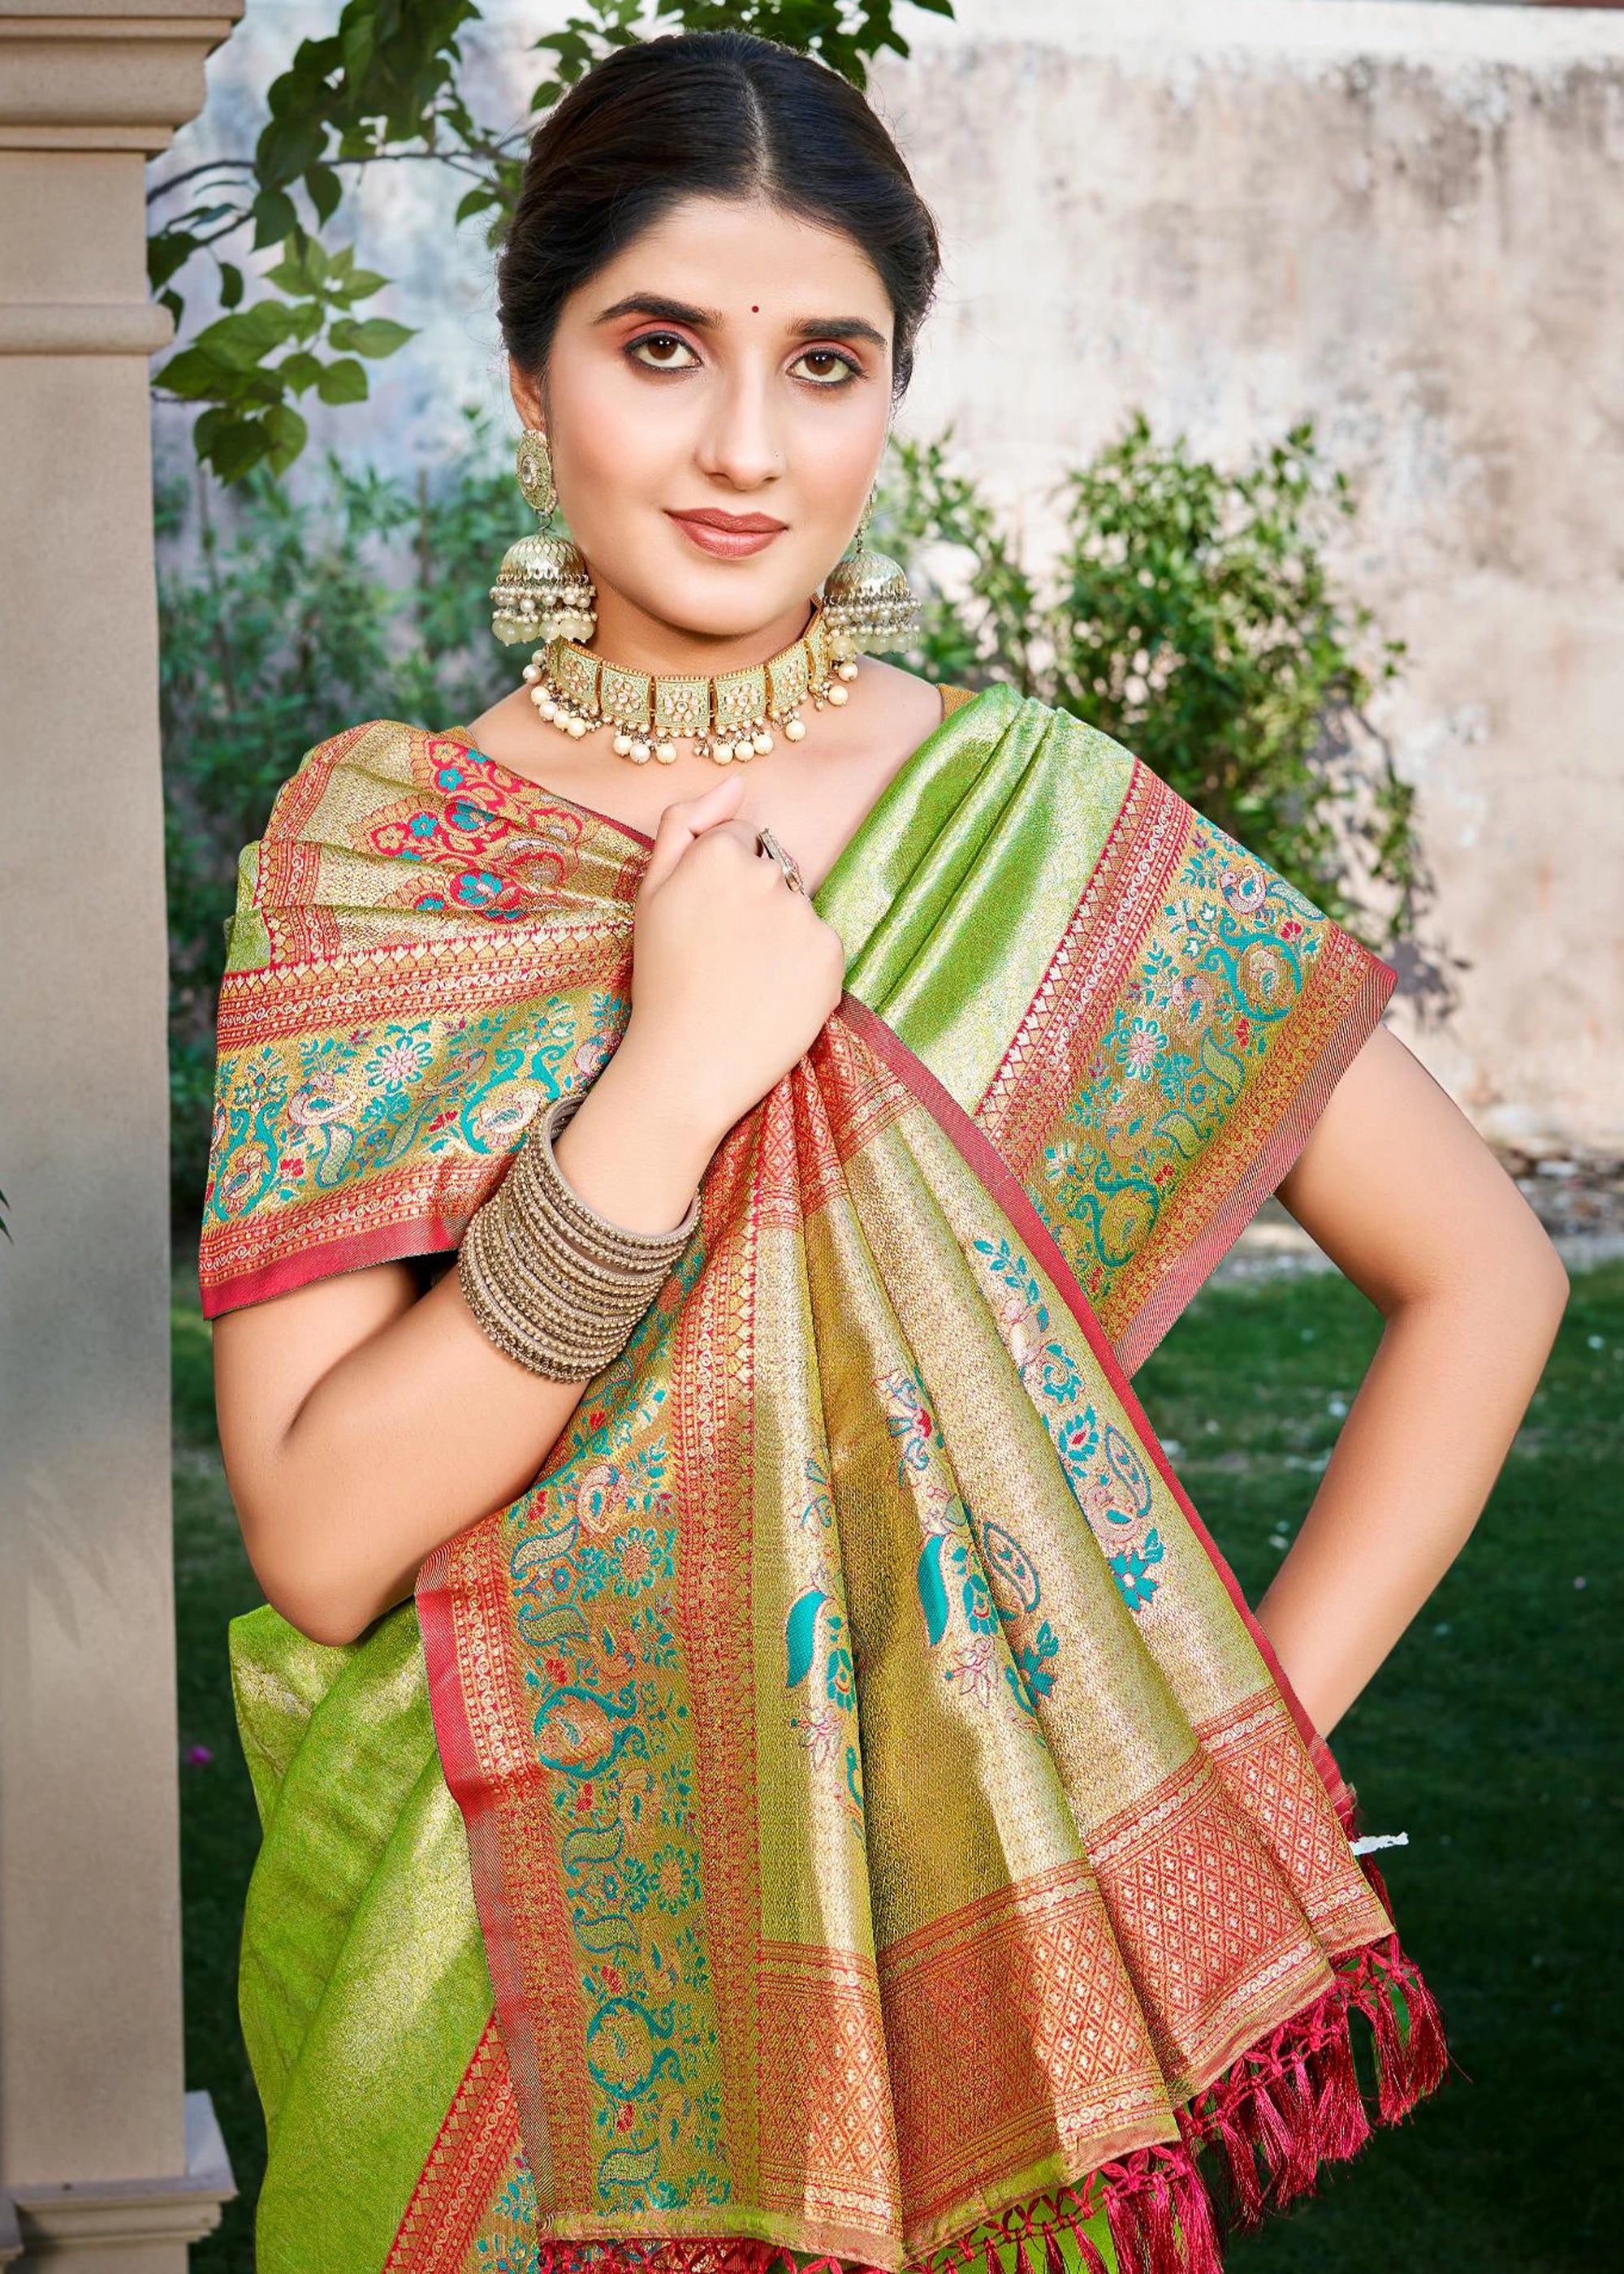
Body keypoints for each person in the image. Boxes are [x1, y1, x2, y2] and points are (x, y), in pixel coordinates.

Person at [197, 29, 1566, 2274]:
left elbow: (1488, 1278)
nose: (747, 446)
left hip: (971, 1982)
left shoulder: (1034, 817)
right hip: (493, 1987)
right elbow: (327, 1538)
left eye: (823, 363)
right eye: (662, 348)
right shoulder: (382, 858)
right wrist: (674, 1080)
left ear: (891, 398)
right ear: (533, 380)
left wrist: (1193, 1778)